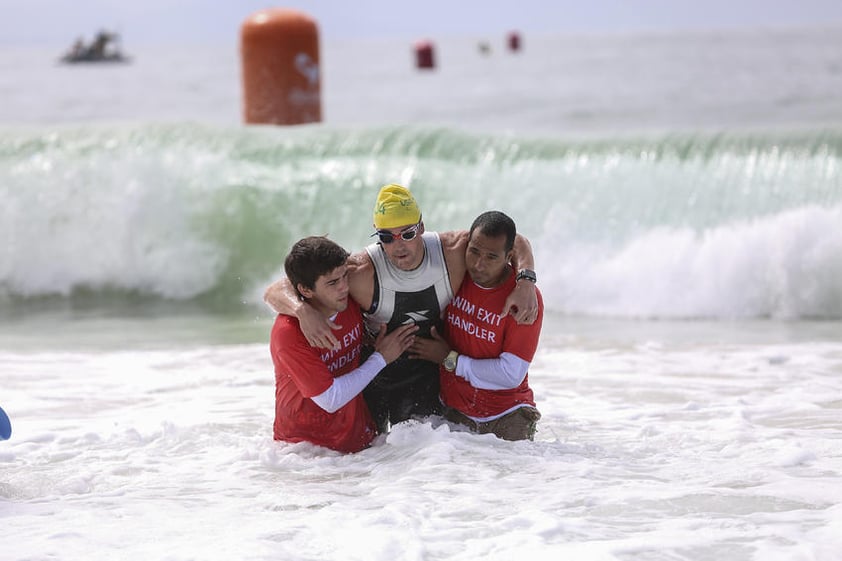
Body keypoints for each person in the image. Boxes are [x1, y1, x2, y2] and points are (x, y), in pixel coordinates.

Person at [264, 184, 539, 434]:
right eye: (387, 236)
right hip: (373, 374)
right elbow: (278, 289)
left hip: (426, 373)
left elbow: (512, 239)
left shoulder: (453, 251)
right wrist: (302, 311)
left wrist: (526, 279)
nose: (399, 246)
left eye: (407, 234)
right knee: (373, 463)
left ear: (421, 227)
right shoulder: (360, 271)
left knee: (424, 461)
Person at [270, 236, 418, 453]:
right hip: (305, 453)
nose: (344, 288)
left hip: (359, 441)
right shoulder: (289, 333)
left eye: (344, 277)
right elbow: (330, 399)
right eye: (332, 283)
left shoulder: (347, 302)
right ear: (306, 290)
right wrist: (382, 357)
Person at [410, 211, 544, 441]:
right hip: (454, 410)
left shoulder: (523, 299)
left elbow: (510, 374)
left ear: (508, 256)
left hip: (508, 414)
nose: (479, 265)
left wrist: (449, 360)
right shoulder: (455, 272)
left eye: (492, 257)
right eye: (473, 251)